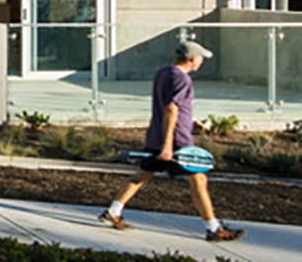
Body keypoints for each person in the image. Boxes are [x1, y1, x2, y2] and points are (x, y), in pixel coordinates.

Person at [100, 40, 242, 242]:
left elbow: (170, 105)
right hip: (176, 140)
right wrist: (168, 145)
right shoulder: (183, 80)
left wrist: (191, 120)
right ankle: (213, 228)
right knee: (198, 179)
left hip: (157, 135)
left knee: (143, 174)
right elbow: (171, 109)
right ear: (192, 59)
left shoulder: (163, 73)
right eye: (201, 58)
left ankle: (113, 211)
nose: (202, 61)